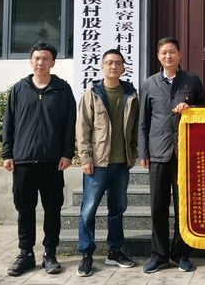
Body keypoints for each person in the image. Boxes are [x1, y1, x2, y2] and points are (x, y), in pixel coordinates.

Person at [2, 42, 76, 276]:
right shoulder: (19, 89)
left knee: (52, 209)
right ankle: (25, 254)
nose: (40, 62)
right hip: (23, 161)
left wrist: (67, 153)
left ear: (53, 62)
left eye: (45, 58)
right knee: (25, 210)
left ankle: (50, 254)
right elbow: (9, 123)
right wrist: (7, 153)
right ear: (30, 61)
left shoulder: (63, 90)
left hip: (52, 161)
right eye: (36, 58)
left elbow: (69, 124)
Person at [139, 37, 205, 273]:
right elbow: (143, 121)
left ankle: (181, 254)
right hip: (158, 151)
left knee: (183, 205)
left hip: (184, 152)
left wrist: (192, 108)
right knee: (158, 206)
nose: (168, 56)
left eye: (172, 52)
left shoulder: (192, 80)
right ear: (158, 57)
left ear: (180, 54)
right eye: (163, 53)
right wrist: (144, 152)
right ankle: (159, 256)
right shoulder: (149, 83)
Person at [76, 49, 139, 277]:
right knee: (88, 210)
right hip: (98, 163)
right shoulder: (92, 93)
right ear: (102, 66)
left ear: (123, 67)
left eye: (117, 63)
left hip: (121, 164)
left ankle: (115, 251)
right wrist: (85, 157)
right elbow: (82, 127)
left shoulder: (131, 94)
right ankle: (86, 254)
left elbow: (134, 127)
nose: (113, 66)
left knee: (117, 209)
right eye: (109, 63)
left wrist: (133, 152)